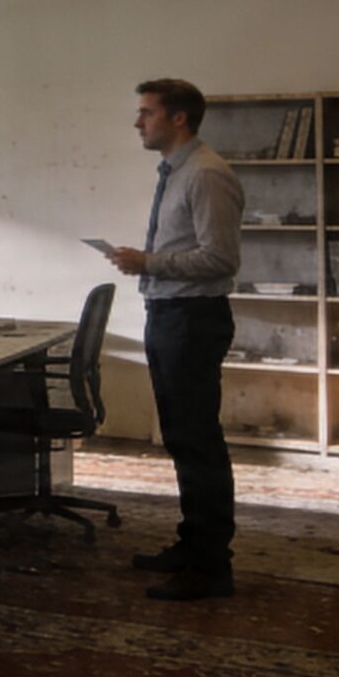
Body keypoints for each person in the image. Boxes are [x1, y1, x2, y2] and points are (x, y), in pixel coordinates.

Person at [102, 78, 244, 601]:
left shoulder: (205, 175)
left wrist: (150, 262)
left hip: (192, 317)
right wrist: (148, 265)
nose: (138, 122)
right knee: (183, 438)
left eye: (147, 113)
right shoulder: (179, 172)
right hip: (170, 313)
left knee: (198, 441)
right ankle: (194, 546)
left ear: (178, 118)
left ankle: (211, 567)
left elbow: (222, 258)